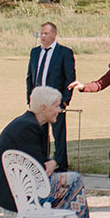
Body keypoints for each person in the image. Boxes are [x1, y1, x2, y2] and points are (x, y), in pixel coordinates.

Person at [0, 86, 110, 218]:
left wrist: (50, 163)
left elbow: (37, 161)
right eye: (56, 106)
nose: (60, 110)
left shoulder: (29, 123)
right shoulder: (29, 127)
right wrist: (53, 163)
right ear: (43, 108)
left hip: (16, 185)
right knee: (75, 180)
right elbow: (40, 168)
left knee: (68, 185)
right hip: (14, 190)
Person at [25, 22, 76, 169]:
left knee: (58, 135)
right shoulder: (35, 52)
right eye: (41, 33)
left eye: (46, 33)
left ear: (54, 34)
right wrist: (30, 97)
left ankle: (60, 164)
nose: (42, 36)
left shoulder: (64, 52)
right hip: (38, 102)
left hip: (55, 102)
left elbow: (69, 78)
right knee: (39, 133)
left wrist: (65, 101)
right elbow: (30, 77)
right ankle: (42, 162)